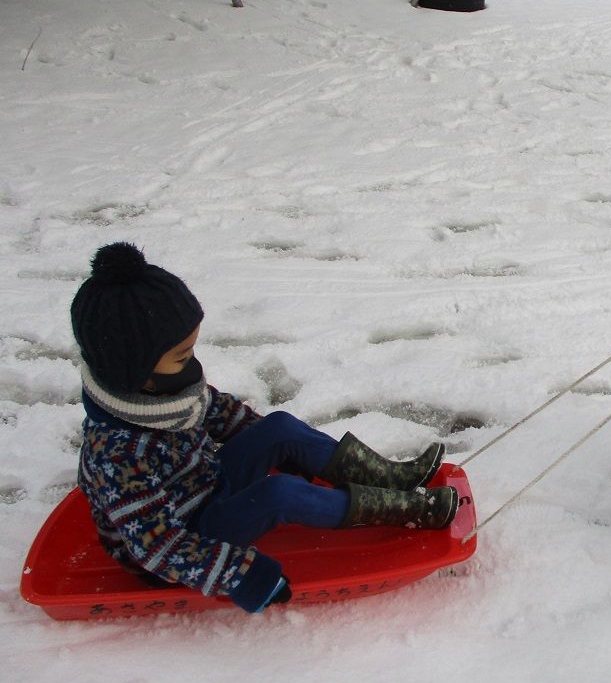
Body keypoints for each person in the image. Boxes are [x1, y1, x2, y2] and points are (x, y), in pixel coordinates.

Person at [71, 242, 457, 613]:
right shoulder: (120, 454)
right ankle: (406, 509)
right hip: (180, 545)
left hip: (207, 485)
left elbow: (217, 412)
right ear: (136, 371)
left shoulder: (163, 392)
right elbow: (158, 547)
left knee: (279, 428)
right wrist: (241, 575)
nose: (192, 365)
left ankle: (389, 478)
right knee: (279, 494)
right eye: (182, 355)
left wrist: (283, 449)